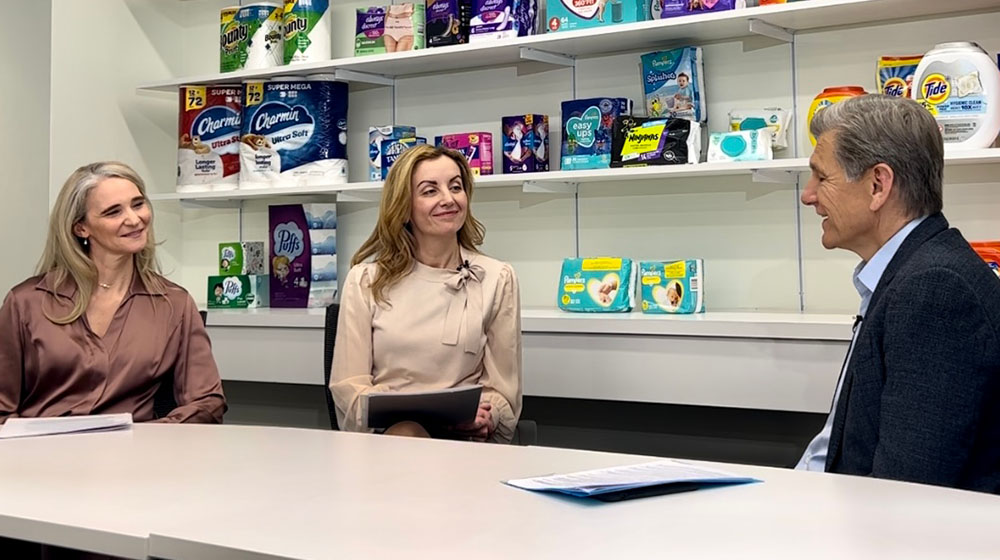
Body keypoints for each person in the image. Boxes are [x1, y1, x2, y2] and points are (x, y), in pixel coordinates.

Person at [796, 95, 1000, 494]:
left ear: (878, 185)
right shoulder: (913, 271)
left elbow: (904, 494)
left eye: (822, 177)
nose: (808, 195)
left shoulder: (935, 290)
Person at [0, 162, 226, 424]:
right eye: (113, 212)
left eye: (138, 204)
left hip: (133, 457)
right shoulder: (26, 302)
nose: (134, 219)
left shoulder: (174, 304)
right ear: (80, 228)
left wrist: (150, 439)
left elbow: (207, 402)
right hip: (39, 455)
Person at [330, 144, 522, 443]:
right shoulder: (365, 281)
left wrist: (488, 415)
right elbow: (348, 388)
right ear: (404, 207)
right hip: (387, 441)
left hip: (465, 446)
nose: (448, 199)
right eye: (430, 191)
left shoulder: (497, 278)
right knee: (408, 434)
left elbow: (503, 391)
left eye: (456, 187)